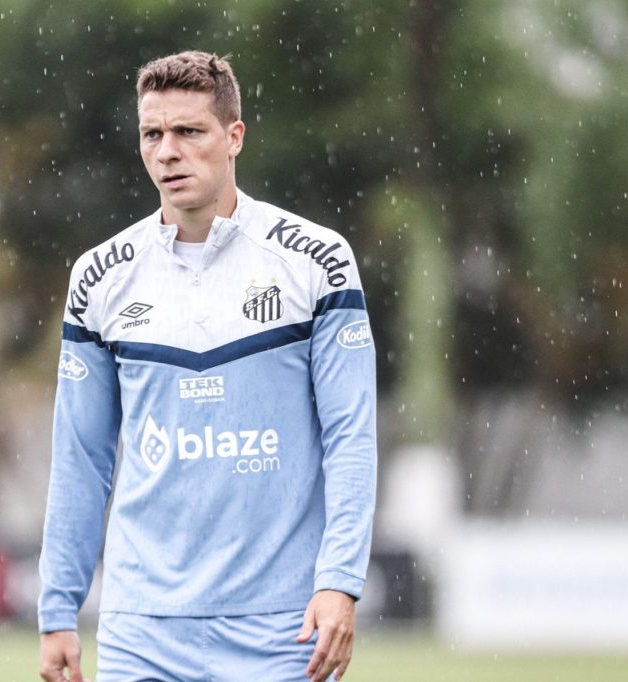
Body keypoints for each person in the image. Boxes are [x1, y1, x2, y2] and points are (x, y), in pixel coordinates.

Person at [38, 50, 377, 682]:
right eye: (152, 134)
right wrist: (58, 609)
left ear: (234, 137)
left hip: (281, 627)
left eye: (189, 131)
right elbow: (81, 457)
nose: (167, 151)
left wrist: (340, 581)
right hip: (140, 628)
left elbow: (350, 436)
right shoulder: (98, 277)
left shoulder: (318, 262)